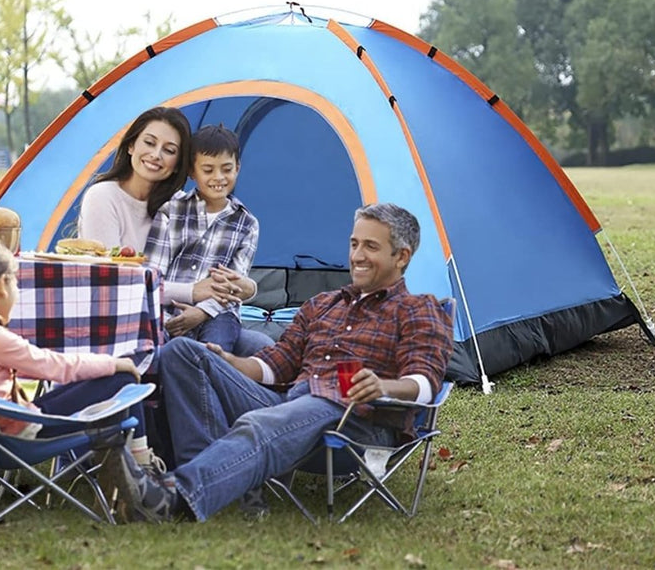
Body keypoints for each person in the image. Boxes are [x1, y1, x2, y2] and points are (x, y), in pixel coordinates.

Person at [98, 202, 454, 523]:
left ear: (402, 256)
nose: (357, 255)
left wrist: (382, 386)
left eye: (371, 247)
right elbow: (276, 364)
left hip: (354, 418)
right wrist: (228, 362)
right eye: (354, 244)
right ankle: (222, 487)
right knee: (182, 354)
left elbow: (425, 381)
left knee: (262, 421)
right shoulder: (323, 304)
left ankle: (171, 496)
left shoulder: (419, 309)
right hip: (291, 404)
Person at [77, 106, 273, 357]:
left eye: (169, 150)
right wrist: (193, 292)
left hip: (206, 314)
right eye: (149, 142)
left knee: (261, 347)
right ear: (130, 146)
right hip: (127, 314)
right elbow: (113, 282)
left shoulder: (175, 202)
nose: (156, 155)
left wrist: (247, 289)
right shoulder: (106, 197)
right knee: (187, 354)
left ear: (178, 163)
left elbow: (235, 277)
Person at [0, 237, 143, 440]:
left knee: (98, 377)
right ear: (1, 286)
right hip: (21, 433)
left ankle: (121, 461)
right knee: (122, 380)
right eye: (15, 283)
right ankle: (142, 462)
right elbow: (56, 366)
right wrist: (115, 363)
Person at [144, 124, 259, 352]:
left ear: (237, 167)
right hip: (167, 311)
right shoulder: (171, 211)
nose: (219, 177)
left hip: (217, 313)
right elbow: (151, 277)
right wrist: (171, 317)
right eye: (208, 170)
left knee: (213, 354)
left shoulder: (247, 224)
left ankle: (211, 382)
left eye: (226, 169)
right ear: (191, 171)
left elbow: (234, 285)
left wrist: (202, 312)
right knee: (166, 351)